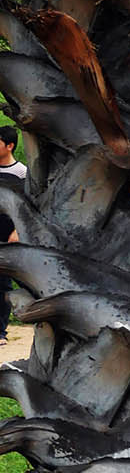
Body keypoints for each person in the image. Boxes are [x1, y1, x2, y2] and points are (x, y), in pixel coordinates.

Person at [0, 126, 27, 342]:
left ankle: (0, 331)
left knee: (2, 286)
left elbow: (27, 207)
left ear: (9, 146)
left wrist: (17, 231)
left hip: (7, 236)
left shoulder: (23, 173)